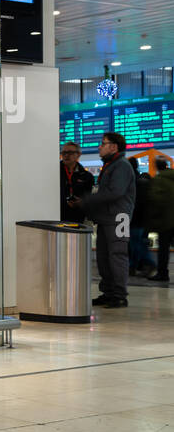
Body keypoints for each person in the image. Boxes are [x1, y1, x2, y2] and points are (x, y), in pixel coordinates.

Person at [69, 132, 136, 308]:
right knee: (103, 257)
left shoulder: (121, 166)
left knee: (116, 256)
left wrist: (87, 201)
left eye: (103, 143)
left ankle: (119, 295)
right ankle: (108, 292)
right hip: (107, 218)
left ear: (113, 147)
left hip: (118, 218)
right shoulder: (110, 165)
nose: (100, 146)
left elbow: (115, 192)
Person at [146, 158, 174, 283]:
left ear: (156, 167)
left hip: (165, 221)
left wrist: (152, 220)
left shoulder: (158, 180)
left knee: (164, 249)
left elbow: (155, 201)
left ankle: (163, 273)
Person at [129, 157, 154, 275]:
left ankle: (145, 264)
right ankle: (136, 266)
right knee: (138, 242)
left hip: (134, 217)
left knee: (135, 243)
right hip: (143, 219)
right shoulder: (141, 180)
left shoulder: (132, 180)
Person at [60, 142, 93, 222]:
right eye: (64, 153)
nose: (66, 155)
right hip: (58, 216)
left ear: (78, 154)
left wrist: (81, 202)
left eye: (70, 152)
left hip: (78, 218)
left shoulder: (87, 176)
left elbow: (88, 198)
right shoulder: (54, 172)